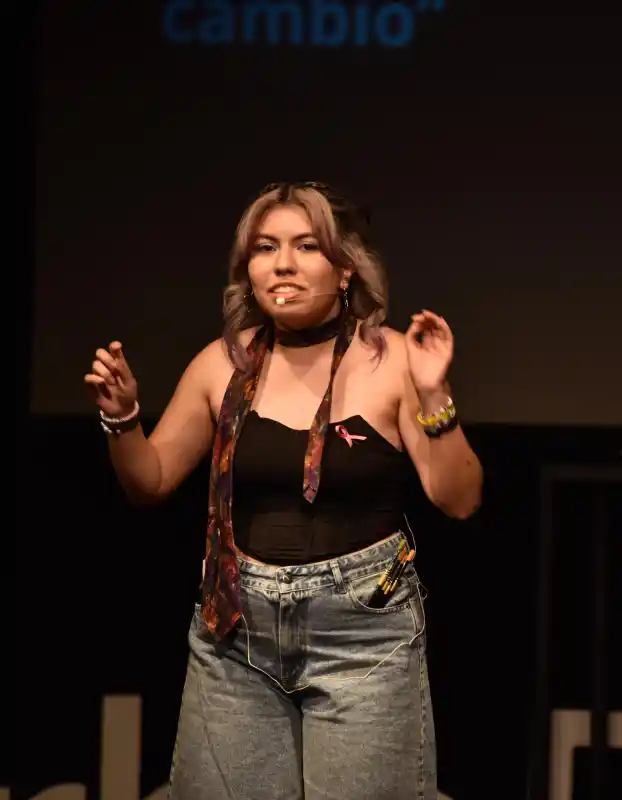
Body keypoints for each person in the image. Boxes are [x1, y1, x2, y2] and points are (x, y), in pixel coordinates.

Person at [84, 181, 483, 800]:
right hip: (236, 634)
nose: (283, 263)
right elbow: (150, 481)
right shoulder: (224, 363)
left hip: (362, 636)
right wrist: (123, 419)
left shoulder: (393, 359)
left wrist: (436, 397)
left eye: (306, 246)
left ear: (346, 268)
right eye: (266, 247)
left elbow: (459, 498)